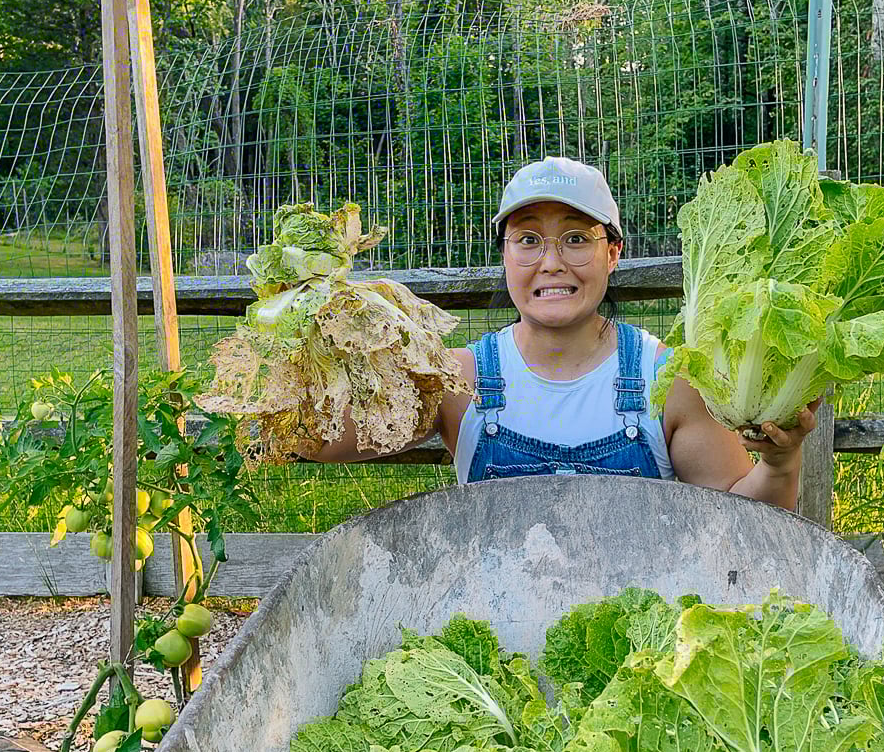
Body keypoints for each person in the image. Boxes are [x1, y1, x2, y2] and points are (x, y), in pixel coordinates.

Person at [313, 156, 819, 511]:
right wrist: (300, 331)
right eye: (528, 240)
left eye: (577, 238)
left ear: (613, 252)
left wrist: (779, 461)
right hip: (494, 653)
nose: (552, 262)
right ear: (505, 255)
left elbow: (742, 520)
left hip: (641, 655)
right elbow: (319, 444)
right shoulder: (456, 380)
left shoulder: (668, 380)